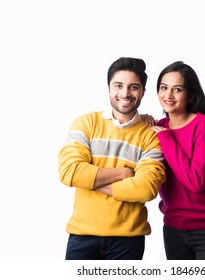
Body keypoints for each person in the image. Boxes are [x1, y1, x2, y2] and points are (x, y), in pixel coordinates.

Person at [58, 57, 166, 260]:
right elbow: (69, 172)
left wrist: (90, 181)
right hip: (82, 236)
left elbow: (146, 188)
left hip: (128, 241)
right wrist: (124, 173)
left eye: (133, 87)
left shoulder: (151, 135)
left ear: (143, 91)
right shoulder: (86, 123)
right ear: (109, 87)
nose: (125, 93)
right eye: (119, 85)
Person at [148, 61, 205, 260]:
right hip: (173, 229)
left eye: (177, 89)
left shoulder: (203, 125)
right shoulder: (157, 127)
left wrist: (167, 138)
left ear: (190, 95)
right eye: (164, 88)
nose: (168, 95)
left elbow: (196, 182)